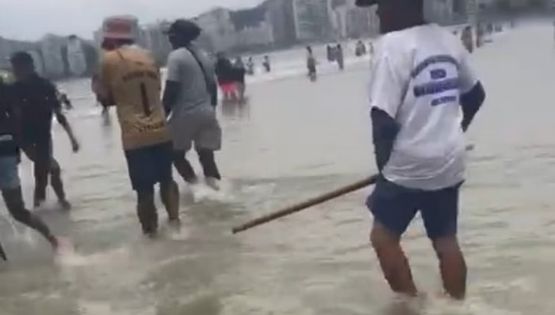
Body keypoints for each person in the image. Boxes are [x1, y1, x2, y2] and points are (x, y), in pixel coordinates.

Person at [356, 0, 486, 299]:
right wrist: (453, 131)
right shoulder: (446, 38)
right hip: (450, 159)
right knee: (446, 240)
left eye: (381, 4)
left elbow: (382, 120)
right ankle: (457, 306)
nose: (377, 12)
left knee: (383, 238)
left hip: (409, 163)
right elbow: (476, 95)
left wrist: (384, 170)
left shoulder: (391, 45)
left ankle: (413, 303)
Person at [95, 16, 180, 236]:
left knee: (144, 190)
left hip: (135, 136)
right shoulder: (149, 56)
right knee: (167, 180)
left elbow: (105, 98)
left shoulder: (109, 60)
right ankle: (176, 224)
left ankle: (151, 235)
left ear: (110, 40)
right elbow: (155, 90)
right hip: (161, 130)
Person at [9, 52, 79, 210]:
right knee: (52, 167)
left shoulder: (45, 86)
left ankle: (40, 206)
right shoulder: (14, 89)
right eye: (14, 68)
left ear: (28, 66)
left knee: (41, 172)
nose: (15, 71)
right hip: (24, 138)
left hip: (44, 136)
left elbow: (59, 114)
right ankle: (62, 201)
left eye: (17, 67)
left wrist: (72, 138)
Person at [163, 19, 222, 190]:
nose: (169, 40)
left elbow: (171, 89)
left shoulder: (176, 56)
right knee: (206, 155)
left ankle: (196, 187)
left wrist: (161, 117)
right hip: (207, 112)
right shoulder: (203, 55)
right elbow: (213, 86)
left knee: (174, 154)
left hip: (186, 113)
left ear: (178, 37)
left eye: (171, 36)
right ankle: (216, 189)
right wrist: (211, 109)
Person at [0, 76, 58, 250]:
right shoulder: (7, 89)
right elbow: (17, 120)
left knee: (18, 210)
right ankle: (53, 240)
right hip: (7, 150)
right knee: (18, 210)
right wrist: (17, 146)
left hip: (6, 151)